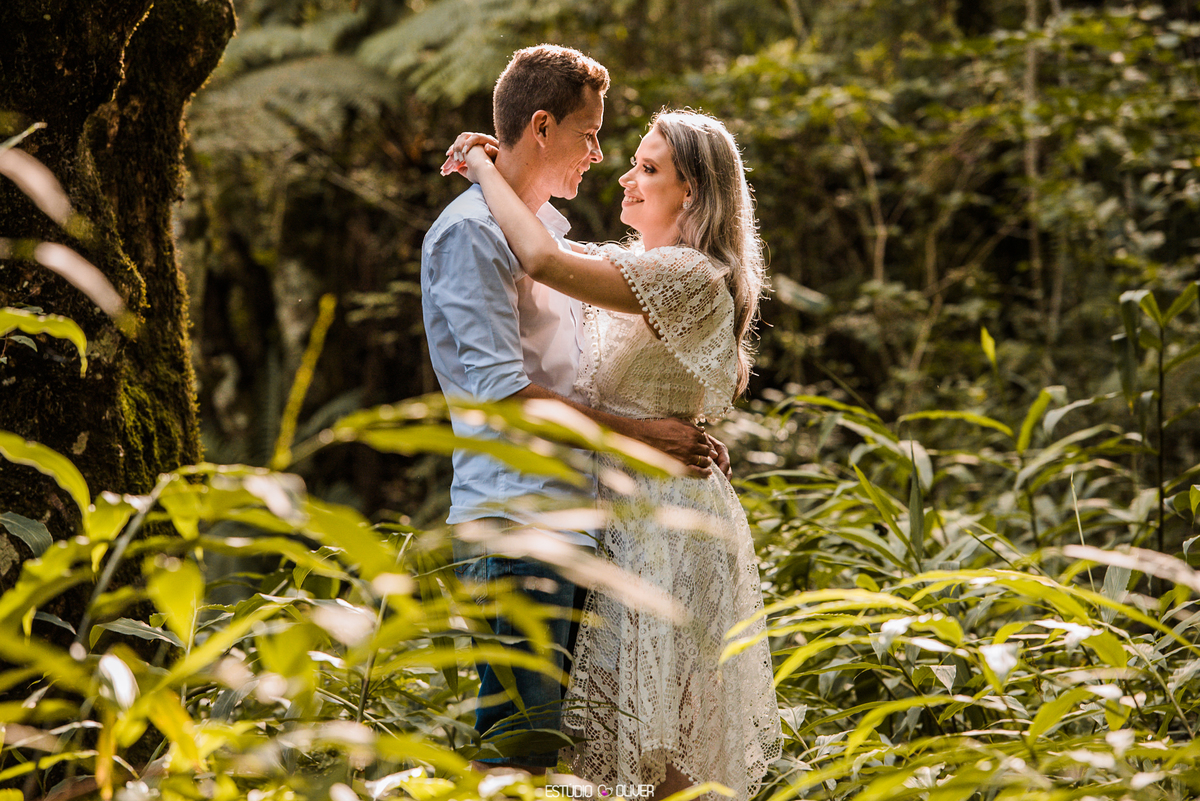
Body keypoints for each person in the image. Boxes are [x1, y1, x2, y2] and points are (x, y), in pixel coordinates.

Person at [448, 109, 782, 800]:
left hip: (662, 522)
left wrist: (480, 165)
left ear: (691, 192)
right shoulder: (639, 265)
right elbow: (547, 248)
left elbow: (543, 259)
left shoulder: (688, 274)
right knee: (631, 742)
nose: (626, 177)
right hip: (626, 509)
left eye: (648, 167)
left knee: (657, 743)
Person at [420, 45, 728, 775]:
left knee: (574, 761)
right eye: (589, 135)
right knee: (518, 754)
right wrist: (644, 434)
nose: (599, 155)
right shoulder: (471, 233)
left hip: (584, 522)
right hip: (517, 519)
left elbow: (584, 355)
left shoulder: (551, 233)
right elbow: (504, 399)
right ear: (541, 126)